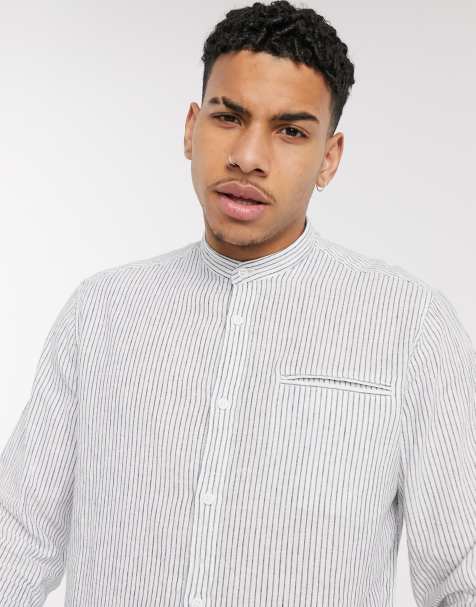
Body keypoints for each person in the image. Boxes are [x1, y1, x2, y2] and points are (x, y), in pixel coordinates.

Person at [1, 1, 475, 606]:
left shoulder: (411, 326)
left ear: (329, 158)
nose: (248, 157)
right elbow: (16, 540)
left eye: (291, 131)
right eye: (229, 117)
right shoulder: (102, 313)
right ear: (191, 128)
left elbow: (464, 574)